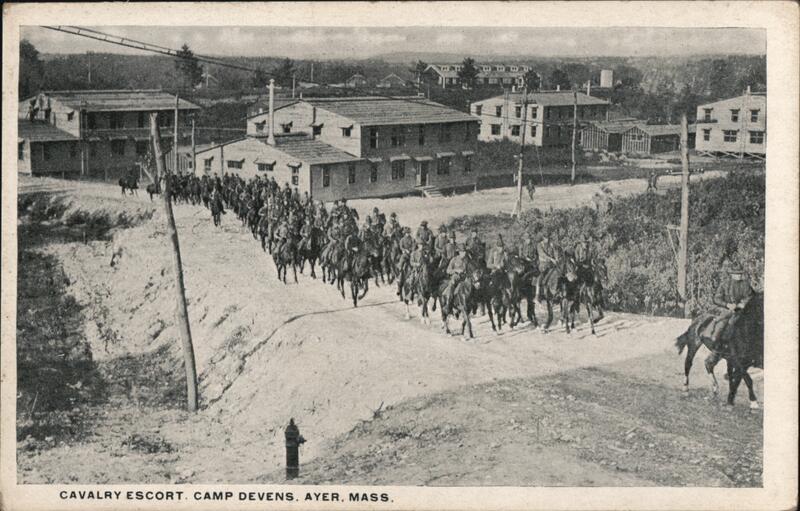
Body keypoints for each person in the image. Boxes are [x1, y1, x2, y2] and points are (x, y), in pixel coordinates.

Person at [708, 263, 755, 350]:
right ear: (732, 274)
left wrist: (743, 303)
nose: (739, 276)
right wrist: (727, 304)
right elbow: (716, 299)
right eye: (737, 274)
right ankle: (717, 342)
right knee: (726, 321)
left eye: (740, 273)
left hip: (742, 310)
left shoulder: (745, 285)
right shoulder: (725, 284)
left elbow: (751, 296)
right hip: (726, 309)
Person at [535, 232, 558, 301]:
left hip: (551, 264)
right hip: (543, 264)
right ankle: (537, 294)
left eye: (548, 238)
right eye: (546, 238)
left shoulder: (550, 245)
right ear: (543, 238)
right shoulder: (539, 245)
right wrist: (551, 259)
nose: (547, 239)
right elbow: (542, 254)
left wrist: (556, 257)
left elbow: (555, 253)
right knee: (541, 277)